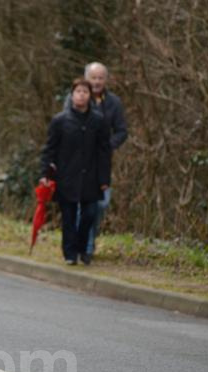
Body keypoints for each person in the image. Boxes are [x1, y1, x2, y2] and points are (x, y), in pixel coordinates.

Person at [41, 78, 111, 265]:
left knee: (90, 214)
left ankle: (82, 247)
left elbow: (104, 152)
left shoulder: (98, 121)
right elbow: (49, 150)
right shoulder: (60, 121)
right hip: (66, 177)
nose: (81, 95)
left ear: (90, 96)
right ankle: (70, 253)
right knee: (69, 217)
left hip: (91, 177)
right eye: (78, 91)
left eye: (85, 92)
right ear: (72, 95)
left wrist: (104, 179)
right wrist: (45, 174)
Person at [80, 62, 128, 260]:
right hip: (79, 161)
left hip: (101, 163)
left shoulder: (114, 103)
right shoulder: (78, 98)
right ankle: (85, 247)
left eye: (100, 78)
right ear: (86, 79)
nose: (97, 82)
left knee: (100, 204)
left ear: (106, 80)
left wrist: (108, 146)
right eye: (93, 78)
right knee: (81, 204)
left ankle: (87, 241)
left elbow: (122, 131)